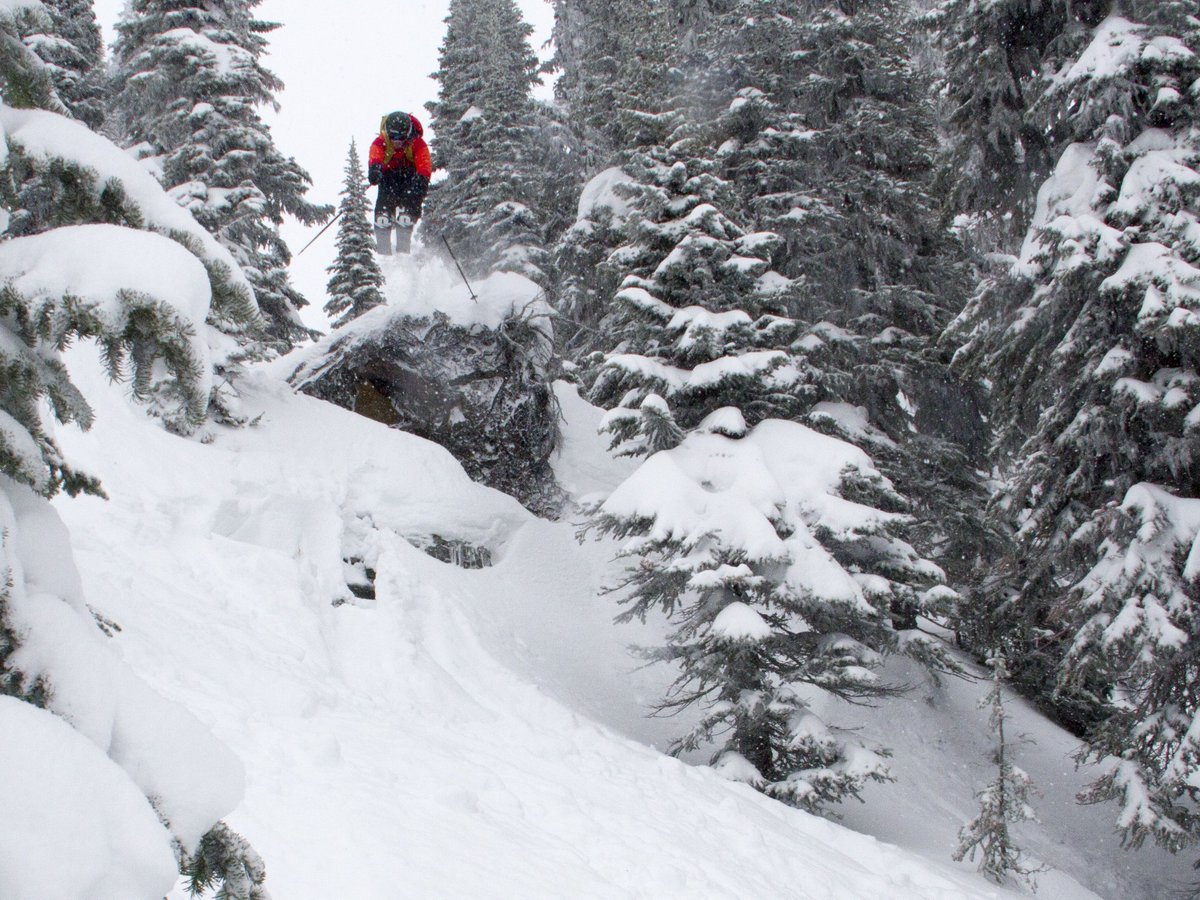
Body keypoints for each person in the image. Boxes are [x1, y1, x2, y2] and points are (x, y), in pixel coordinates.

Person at [368, 111, 432, 254]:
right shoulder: (382, 141)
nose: (397, 142)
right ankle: (383, 245)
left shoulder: (417, 143)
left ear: (408, 134)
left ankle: (404, 246)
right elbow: (375, 154)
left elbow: (424, 165)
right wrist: (374, 169)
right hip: (389, 177)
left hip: (411, 178)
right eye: (393, 137)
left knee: (409, 206)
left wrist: (421, 183)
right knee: (384, 206)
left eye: (401, 138)